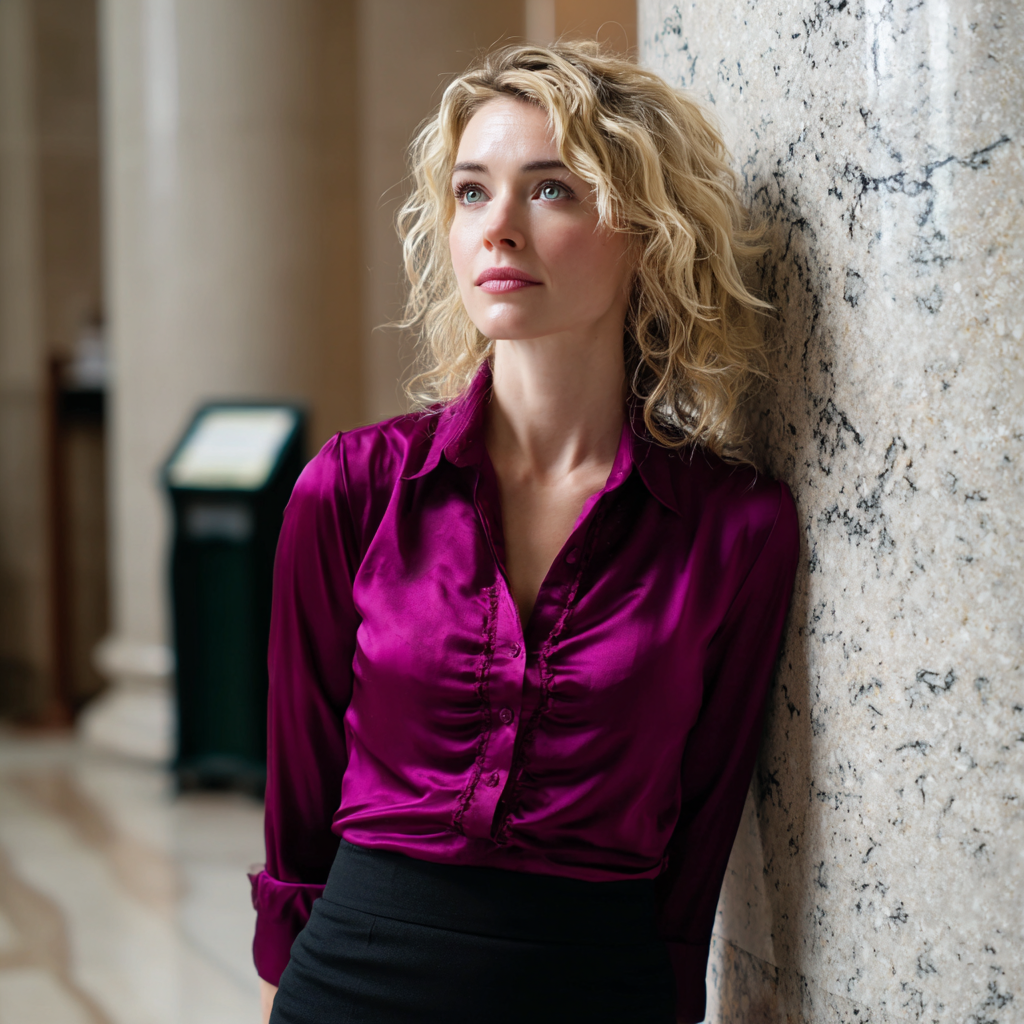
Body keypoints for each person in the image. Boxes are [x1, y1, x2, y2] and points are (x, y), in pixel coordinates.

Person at [251, 41, 799, 1024]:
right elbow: (296, 802)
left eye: (550, 190)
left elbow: (703, 842)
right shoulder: (352, 488)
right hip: (351, 984)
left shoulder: (735, 528)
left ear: (646, 230)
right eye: (471, 192)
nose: (497, 228)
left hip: (596, 989)